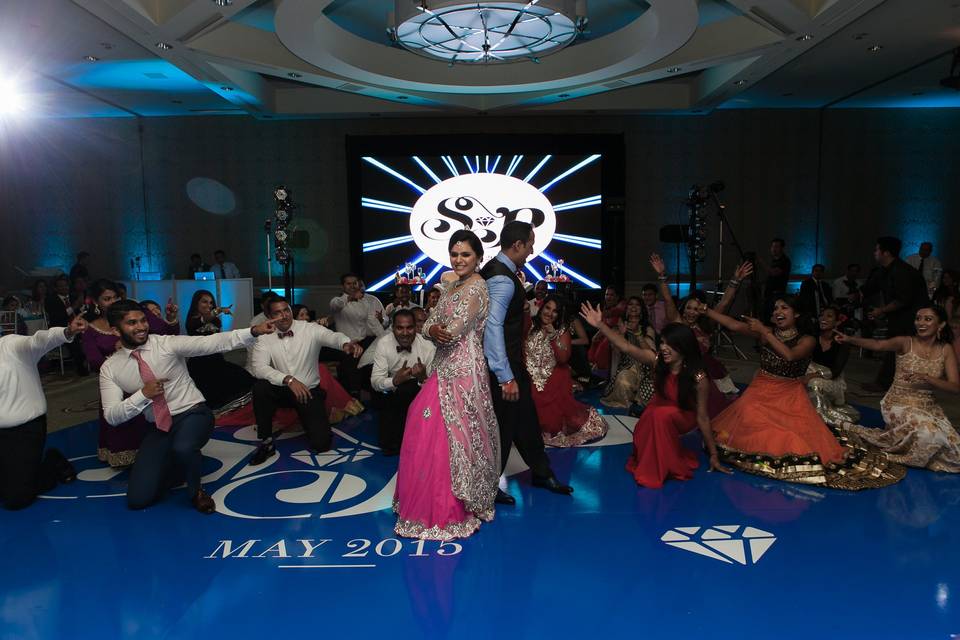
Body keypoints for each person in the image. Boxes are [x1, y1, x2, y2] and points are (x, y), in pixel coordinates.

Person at [700, 295, 904, 489]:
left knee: (793, 438)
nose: (778, 311)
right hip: (760, 389)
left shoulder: (807, 340)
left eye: (784, 307)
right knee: (748, 412)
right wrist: (706, 310)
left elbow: (789, 356)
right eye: (776, 308)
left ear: (796, 314)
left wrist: (765, 331)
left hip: (789, 393)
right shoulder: (767, 332)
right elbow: (733, 325)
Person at [99, 300, 276, 512]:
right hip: (160, 427)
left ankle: (197, 492)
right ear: (114, 330)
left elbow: (212, 343)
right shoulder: (110, 368)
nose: (141, 326)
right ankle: (178, 463)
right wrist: (142, 395)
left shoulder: (166, 344)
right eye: (132, 323)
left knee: (183, 447)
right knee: (138, 499)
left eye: (143, 320)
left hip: (193, 414)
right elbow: (112, 416)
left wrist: (253, 331)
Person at [394, 229, 500, 540]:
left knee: (454, 436)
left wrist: (435, 328)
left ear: (478, 257)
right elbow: (427, 322)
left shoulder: (477, 289)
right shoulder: (452, 284)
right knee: (423, 422)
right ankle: (427, 501)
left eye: (465, 254)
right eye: (455, 254)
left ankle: (456, 502)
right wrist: (433, 328)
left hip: (465, 370)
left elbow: (451, 331)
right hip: (443, 367)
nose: (458, 259)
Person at [581, 305, 730, 487]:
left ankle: (657, 469)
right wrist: (600, 325)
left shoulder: (698, 376)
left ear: (683, 348)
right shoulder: (657, 360)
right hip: (658, 408)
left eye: (670, 345)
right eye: (662, 343)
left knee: (659, 415)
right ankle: (656, 459)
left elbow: (703, 417)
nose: (664, 348)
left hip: (684, 415)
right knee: (650, 415)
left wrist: (714, 455)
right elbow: (626, 347)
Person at [482, 220, 573, 503]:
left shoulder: (502, 273)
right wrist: (504, 375)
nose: (532, 251)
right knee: (504, 426)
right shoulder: (500, 279)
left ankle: (541, 472)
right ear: (517, 245)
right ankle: (488, 486)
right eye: (530, 245)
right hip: (504, 367)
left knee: (526, 420)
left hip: (512, 363)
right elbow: (492, 327)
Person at [839, 306, 960, 472]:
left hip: (929, 408)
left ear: (941, 324)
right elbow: (878, 345)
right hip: (898, 403)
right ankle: (902, 455)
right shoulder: (905, 342)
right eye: (918, 318)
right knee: (929, 434)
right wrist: (850, 339)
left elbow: (954, 387)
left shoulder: (945, 349)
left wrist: (927, 378)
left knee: (956, 455)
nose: (921, 323)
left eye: (928, 319)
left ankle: (912, 441)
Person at [249, 298, 363, 465]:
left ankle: (308, 420)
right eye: (277, 312)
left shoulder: (309, 329)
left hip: (308, 390)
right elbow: (258, 368)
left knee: (322, 444)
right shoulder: (265, 337)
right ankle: (266, 442)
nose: (284, 315)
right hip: (281, 389)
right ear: (269, 316)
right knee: (260, 388)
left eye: (286, 310)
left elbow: (332, 336)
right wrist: (288, 379)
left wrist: (345, 343)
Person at [82, 280, 179, 468]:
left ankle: (155, 453)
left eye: (115, 297)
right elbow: (94, 361)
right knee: (121, 421)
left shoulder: (136, 317)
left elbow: (169, 333)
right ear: (96, 302)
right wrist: (119, 357)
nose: (112, 302)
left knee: (151, 424)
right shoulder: (92, 329)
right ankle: (125, 458)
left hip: (146, 381)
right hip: (116, 384)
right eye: (106, 299)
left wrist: (171, 317)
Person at [1, 316, 86, 509]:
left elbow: (39, 340)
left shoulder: (11, 345)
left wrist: (67, 332)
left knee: (17, 498)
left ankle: (52, 463)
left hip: (25, 429)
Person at [650, 254, 749, 406]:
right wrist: (662, 275)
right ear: (683, 309)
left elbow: (724, 302)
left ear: (702, 311)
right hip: (680, 371)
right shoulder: (678, 322)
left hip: (704, 371)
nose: (691, 312)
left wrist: (735, 280)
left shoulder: (706, 325)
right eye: (689, 308)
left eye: (696, 309)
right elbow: (668, 298)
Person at [526, 295, 607, 447]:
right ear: (541, 307)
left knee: (553, 425)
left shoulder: (561, 331)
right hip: (530, 377)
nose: (550, 313)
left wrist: (552, 335)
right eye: (547, 308)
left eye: (555, 311)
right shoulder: (530, 325)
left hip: (553, 380)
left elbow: (563, 358)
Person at [859, 236, 930, 391]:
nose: (874, 253)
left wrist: (881, 310)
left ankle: (890, 383)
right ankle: (890, 383)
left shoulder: (902, 271)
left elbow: (903, 300)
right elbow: (870, 289)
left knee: (901, 350)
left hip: (913, 317)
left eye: (877, 249)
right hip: (899, 317)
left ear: (886, 253)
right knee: (896, 350)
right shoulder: (883, 271)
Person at [371, 309, 436, 455]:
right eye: (400, 328)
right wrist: (395, 380)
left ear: (415, 328)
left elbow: (435, 387)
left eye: (409, 327)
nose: (405, 333)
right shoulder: (384, 344)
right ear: (393, 328)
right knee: (388, 446)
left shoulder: (428, 347)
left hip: (420, 393)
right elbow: (375, 381)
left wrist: (422, 378)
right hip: (391, 393)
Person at [185, 290, 254, 412]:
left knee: (244, 378)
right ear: (196, 303)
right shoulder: (192, 320)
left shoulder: (215, 320)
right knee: (211, 397)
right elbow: (203, 320)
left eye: (211, 302)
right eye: (204, 302)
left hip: (216, 359)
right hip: (200, 364)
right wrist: (219, 310)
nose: (209, 305)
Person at [329, 273, 385, 396]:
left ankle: (367, 397)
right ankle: (352, 400)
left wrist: (384, 337)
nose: (352, 286)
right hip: (346, 344)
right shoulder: (337, 301)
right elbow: (335, 306)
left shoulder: (364, 302)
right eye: (348, 283)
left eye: (355, 283)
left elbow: (372, 322)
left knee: (367, 371)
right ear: (343, 286)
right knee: (351, 375)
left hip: (364, 342)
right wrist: (349, 297)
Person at [803, 305, 859, 425]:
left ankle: (818, 418)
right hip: (810, 373)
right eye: (821, 315)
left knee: (814, 383)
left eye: (829, 316)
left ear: (837, 321)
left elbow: (836, 371)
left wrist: (813, 375)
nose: (823, 318)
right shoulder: (813, 337)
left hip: (831, 380)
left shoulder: (842, 343)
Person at [601, 295, 657, 412]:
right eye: (631, 304)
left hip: (646, 369)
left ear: (642, 309)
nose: (634, 307)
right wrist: (622, 334)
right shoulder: (619, 327)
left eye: (637, 305)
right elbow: (617, 351)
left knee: (653, 397)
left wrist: (638, 334)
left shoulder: (647, 328)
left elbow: (651, 353)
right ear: (626, 308)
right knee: (623, 379)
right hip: (627, 366)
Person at [46, 274, 86, 375]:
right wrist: (75, 306)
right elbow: (59, 315)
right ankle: (81, 367)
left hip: (79, 325)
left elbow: (82, 311)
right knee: (74, 340)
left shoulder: (73, 297)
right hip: (62, 327)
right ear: (56, 288)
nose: (64, 288)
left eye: (66, 285)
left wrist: (81, 307)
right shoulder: (51, 300)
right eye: (61, 286)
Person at [586, 285, 626, 374]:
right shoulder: (606, 309)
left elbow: (610, 324)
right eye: (607, 294)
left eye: (611, 295)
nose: (608, 297)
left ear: (617, 297)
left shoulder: (619, 310)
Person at [760, 237, 791, 318]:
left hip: (777, 294)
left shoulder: (785, 261)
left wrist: (761, 262)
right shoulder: (773, 261)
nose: (774, 249)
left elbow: (774, 273)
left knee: (774, 317)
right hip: (768, 294)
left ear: (782, 248)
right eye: (772, 246)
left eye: (776, 246)